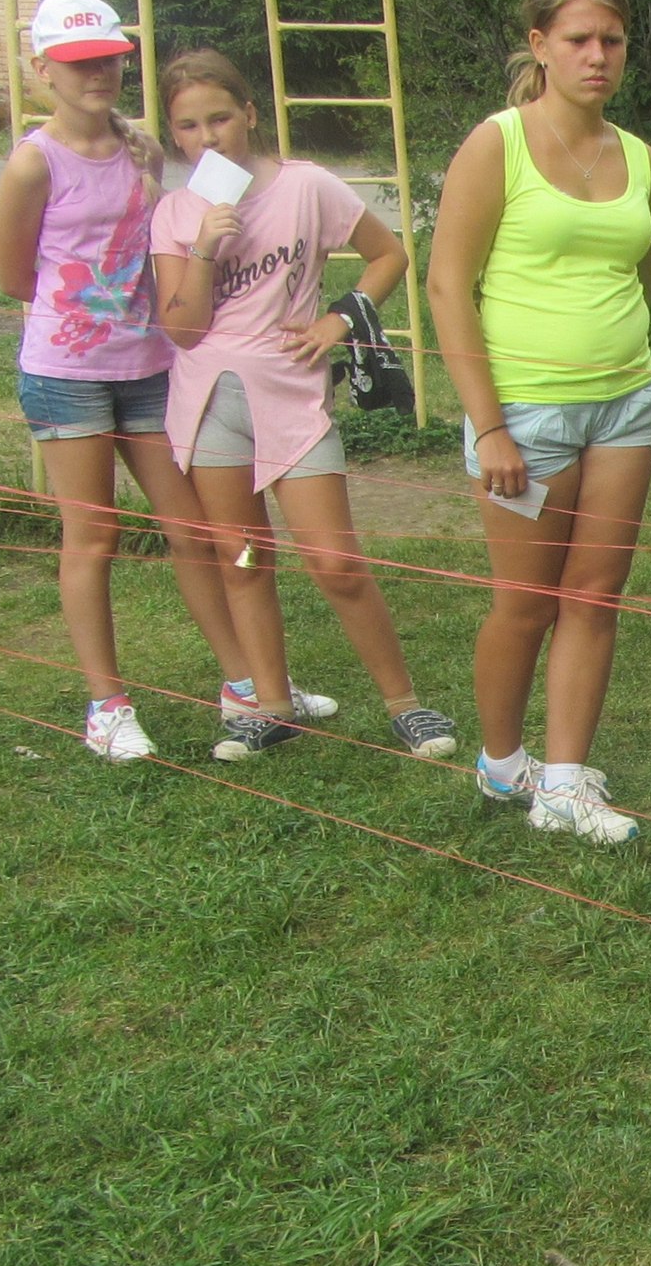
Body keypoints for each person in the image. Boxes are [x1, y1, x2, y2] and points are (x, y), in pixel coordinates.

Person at [148, 49, 457, 765]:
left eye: (220, 118)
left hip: (290, 398)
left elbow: (388, 254)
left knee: (334, 560)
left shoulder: (305, 186)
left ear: (250, 113)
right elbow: (182, 328)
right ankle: (272, 706)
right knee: (243, 558)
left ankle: (404, 704)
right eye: (189, 126)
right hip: (210, 404)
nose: (208, 137)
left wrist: (339, 320)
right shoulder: (177, 212)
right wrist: (203, 249)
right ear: (175, 136)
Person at [428, 0, 651, 845]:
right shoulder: (497, 144)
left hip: (625, 406)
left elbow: (644, 274)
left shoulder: (641, 158)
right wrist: (489, 424)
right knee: (525, 601)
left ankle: (564, 782)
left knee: (596, 596)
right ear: (540, 45)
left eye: (613, 39)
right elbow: (448, 285)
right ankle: (502, 761)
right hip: (525, 415)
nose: (597, 56)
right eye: (578, 40)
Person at [0, 0, 253, 762]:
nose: (96, 74)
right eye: (77, 63)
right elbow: (14, 276)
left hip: (148, 367)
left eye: (107, 58)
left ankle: (245, 683)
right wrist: (88, 316)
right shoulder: (34, 162)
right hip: (67, 372)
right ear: (42, 70)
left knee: (190, 527)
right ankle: (106, 705)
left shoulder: (141, 149)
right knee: (94, 534)